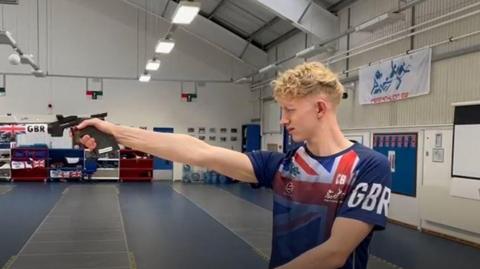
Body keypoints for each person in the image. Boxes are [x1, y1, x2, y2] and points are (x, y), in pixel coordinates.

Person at [77, 62, 392, 269]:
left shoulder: (369, 167)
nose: (283, 120)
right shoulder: (283, 164)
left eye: (290, 110)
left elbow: (336, 253)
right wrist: (117, 132)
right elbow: (198, 151)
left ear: (321, 108)